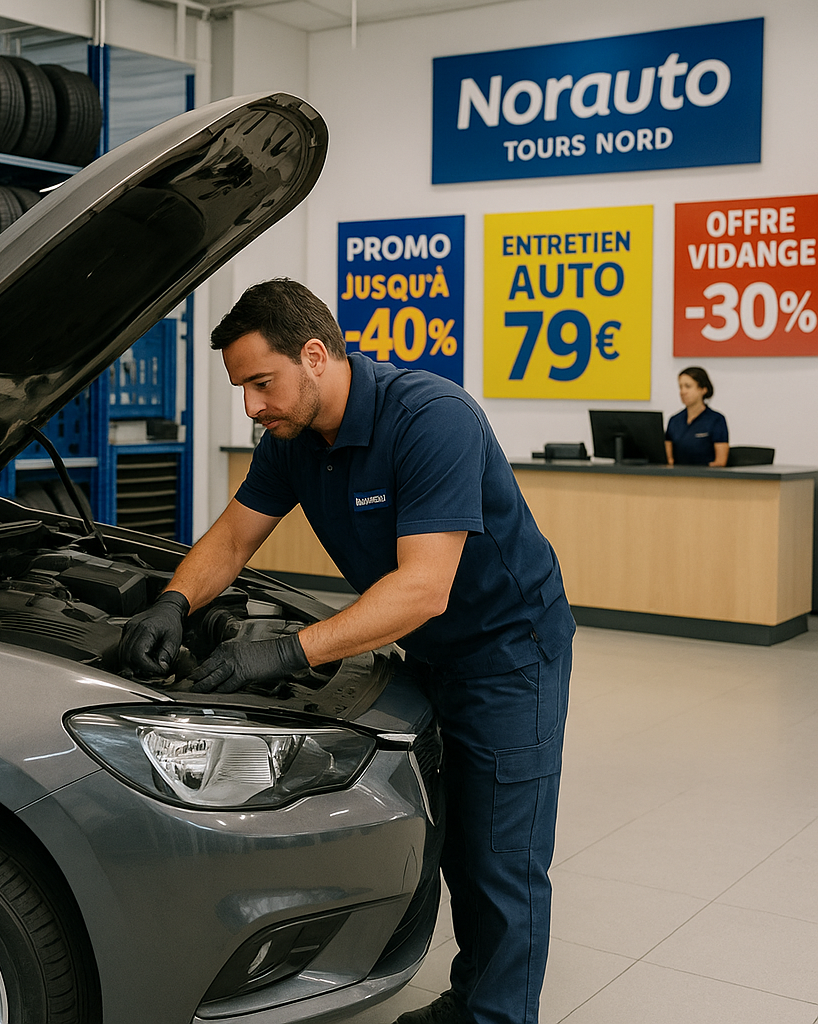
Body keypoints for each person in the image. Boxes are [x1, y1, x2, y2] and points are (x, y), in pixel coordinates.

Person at [121, 279, 575, 1024]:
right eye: (242, 390)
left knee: (503, 857)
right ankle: (472, 999)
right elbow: (233, 540)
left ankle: (498, 1016)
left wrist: (284, 654)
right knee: (456, 843)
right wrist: (175, 601)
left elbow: (423, 588)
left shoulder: (431, 418)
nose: (253, 408)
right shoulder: (293, 442)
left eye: (262, 384)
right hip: (429, 653)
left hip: (509, 650)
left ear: (314, 355)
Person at [665, 366, 729, 467]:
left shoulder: (716, 420)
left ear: (703, 389)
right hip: (677, 479)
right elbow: (668, 459)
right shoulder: (674, 420)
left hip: (705, 479)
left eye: (688, 386)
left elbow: (720, 462)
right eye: (680, 387)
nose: (683, 392)